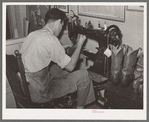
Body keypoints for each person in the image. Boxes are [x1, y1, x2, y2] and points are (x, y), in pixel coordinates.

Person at [20, 8, 95, 108]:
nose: (61, 29)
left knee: (57, 69)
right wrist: (80, 43)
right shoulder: (51, 39)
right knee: (84, 75)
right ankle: (80, 110)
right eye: (62, 26)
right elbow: (71, 66)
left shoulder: (33, 34)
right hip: (40, 93)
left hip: (26, 87)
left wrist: (72, 49)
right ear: (60, 22)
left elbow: (49, 51)